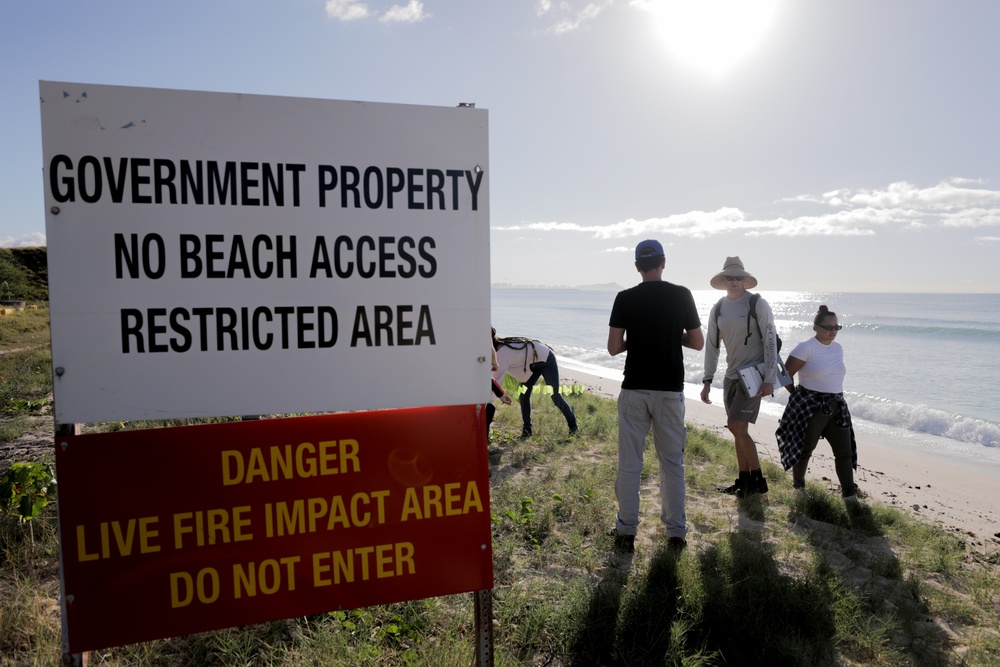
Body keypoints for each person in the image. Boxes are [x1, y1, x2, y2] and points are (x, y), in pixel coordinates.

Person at [607, 240, 703, 552]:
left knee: (630, 463)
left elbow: (612, 347)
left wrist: (635, 340)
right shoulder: (682, 295)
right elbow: (698, 342)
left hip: (635, 387)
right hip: (670, 389)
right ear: (664, 263)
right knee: (672, 463)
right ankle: (676, 533)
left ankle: (626, 532)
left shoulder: (624, 298)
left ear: (636, 266)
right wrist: (671, 333)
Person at [700, 256, 779, 497]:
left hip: (754, 376)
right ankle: (744, 482)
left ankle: (758, 480)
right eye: (729, 277)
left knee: (735, 425)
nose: (734, 281)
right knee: (738, 429)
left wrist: (770, 378)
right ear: (723, 280)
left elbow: (770, 341)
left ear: (745, 280)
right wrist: (707, 380)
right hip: (731, 376)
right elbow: (711, 346)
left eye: (738, 277)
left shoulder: (757, 303)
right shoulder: (718, 308)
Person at [775, 305, 859, 502]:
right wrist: (797, 394)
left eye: (837, 327)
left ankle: (849, 495)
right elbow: (784, 374)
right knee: (805, 449)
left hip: (837, 405)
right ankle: (799, 488)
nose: (833, 331)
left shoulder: (838, 349)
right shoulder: (805, 347)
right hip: (811, 406)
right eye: (829, 327)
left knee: (844, 452)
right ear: (816, 327)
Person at [492, 328, 578, 438]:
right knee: (524, 395)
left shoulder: (501, 353)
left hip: (546, 359)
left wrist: (487, 403)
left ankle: (573, 426)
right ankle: (527, 431)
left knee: (555, 396)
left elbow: (496, 381)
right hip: (531, 365)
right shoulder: (497, 351)